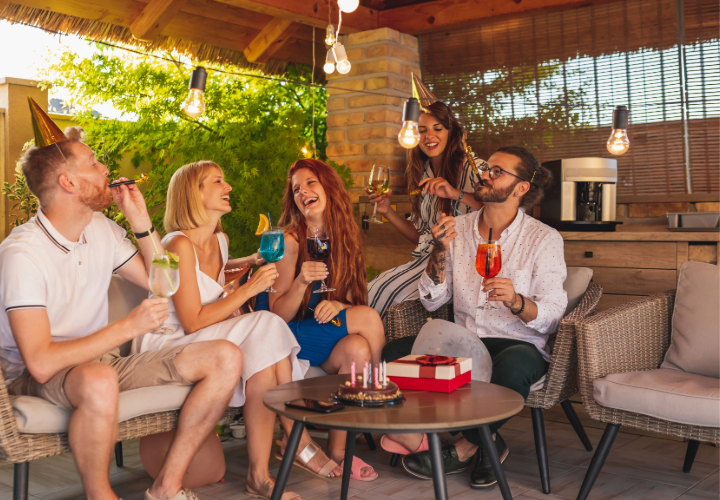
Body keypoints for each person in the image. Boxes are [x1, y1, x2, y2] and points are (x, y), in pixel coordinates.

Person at [0, 126, 243, 500]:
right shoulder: (22, 254)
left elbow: (164, 284)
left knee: (225, 357)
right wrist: (128, 326)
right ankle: (100, 495)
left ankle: (166, 487)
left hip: (103, 363)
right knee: (97, 380)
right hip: (34, 375)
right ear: (69, 182)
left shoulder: (101, 230)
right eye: (94, 163)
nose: (106, 168)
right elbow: (41, 363)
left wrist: (141, 224)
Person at [132, 160, 320, 500]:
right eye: (217, 181)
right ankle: (297, 436)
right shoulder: (177, 245)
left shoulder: (220, 241)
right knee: (267, 322)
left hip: (205, 336)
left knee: (264, 358)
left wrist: (245, 264)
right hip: (170, 342)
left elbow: (214, 285)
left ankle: (259, 477)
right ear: (194, 193)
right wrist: (249, 289)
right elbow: (192, 320)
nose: (228, 186)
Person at [384, 145, 567, 490]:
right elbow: (431, 300)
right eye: (486, 168)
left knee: (510, 370)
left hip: (517, 344)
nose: (484, 174)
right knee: (393, 354)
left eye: (497, 171)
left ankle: (465, 447)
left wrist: (516, 302)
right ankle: (488, 443)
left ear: (521, 188)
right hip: (463, 342)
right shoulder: (457, 228)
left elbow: (553, 316)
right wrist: (438, 251)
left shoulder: (544, 239)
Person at [259, 158, 385, 482]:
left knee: (357, 349)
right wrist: (301, 282)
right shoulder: (290, 242)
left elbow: (353, 300)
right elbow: (275, 316)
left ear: (328, 187)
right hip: (286, 336)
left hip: (321, 337)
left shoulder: (344, 237)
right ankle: (381, 408)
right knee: (369, 319)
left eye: (310, 183)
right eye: (296, 188)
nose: (303, 192)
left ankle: (340, 452)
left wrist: (342, 305)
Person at [367, 101, 484, 316]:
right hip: (426, 260)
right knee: (372, 288)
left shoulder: (470, 164)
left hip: (460, 265)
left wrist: (453, 193)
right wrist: (387, 211)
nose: (429, 136)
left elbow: (498, 204)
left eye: (437, 129)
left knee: (386, 293)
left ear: (451, 132)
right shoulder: (424, 172)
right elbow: (420, 236)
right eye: (421, 130)